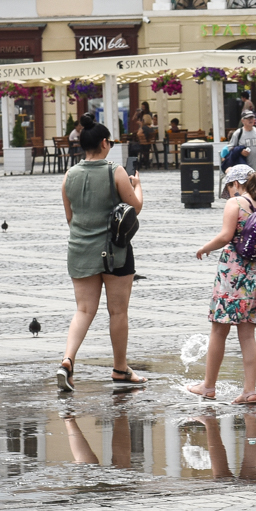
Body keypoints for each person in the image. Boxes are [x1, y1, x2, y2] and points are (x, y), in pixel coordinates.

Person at [185, 164, 256, 404]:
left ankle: (208, 386)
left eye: (229, 186)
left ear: (237, 184)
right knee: (248, 335)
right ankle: (249, 391)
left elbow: (225, 236)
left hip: (232, 276)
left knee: (219, 331)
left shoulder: (235, 204)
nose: (229, 193)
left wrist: (204, 248)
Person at [57, 122, 144, 390]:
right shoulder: (115, 171)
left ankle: (67, 361)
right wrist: (137, 185)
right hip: (115, 252)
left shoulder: (69, 175)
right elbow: (135, 207)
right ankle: (120, 369)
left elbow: (70, 218)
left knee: (83, 310)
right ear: (104, 143)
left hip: (80, 250)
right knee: (117, 311)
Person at [220, 110, 256, 176]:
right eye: (248, 118)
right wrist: (240, 151)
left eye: (252, 118)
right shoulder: (238, 133)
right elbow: (230, 148)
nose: (250, 120)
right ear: (243, 121)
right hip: (242, 168)